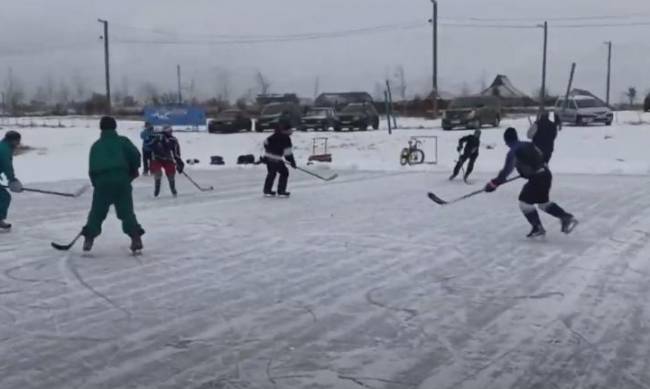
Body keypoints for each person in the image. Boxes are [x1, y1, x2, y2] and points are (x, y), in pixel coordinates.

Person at [484, 127, 578, 238]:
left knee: (524, 203)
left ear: (507, 141)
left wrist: (493, 184)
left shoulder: (514, 150)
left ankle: (538, 227)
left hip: (537, 178)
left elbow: (506, 171)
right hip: (546, 175)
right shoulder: (529, 144)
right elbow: (540, 157)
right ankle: (565, 217)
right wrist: (526, 171)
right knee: (543, 204)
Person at [82, 117, 144, 252]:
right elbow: (135, 156)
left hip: (102, 183)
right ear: (115, 127)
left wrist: (96, 184)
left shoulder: (96, 146)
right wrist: (133, 171)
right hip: (122, 180)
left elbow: (92, 169)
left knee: (97, 212)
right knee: (126, 212)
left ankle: (89, 239)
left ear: (101, 128)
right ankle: (135, 238)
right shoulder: (123, 141)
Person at [262, 123, 296, 197]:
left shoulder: (274, 135)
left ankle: (267, 190)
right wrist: (292, 162)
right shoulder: (286, 138)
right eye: (290, 130)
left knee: (271, 173)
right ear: (285, 131)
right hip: (276, 159)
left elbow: (265, 142)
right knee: (284, 172)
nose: (292, 132)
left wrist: (269, 150)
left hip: (268, 157)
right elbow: (288, 153)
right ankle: (281, 191)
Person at [150, 125, 184, 197]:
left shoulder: (173, 140)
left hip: (168, 159)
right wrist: (156, 141)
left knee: (171, 173)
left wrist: (179, 162)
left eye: (171, 131)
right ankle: (157, 190)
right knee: (158, 173)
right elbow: (150, 145)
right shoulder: (157, 137)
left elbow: (176, 153)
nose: (170, 133)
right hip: (157, 158)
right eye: (169, 131)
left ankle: (173, 189)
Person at [0, 131, 24, 230]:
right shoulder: (4, 150)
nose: (18, 143)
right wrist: (12, 180)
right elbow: (7, 166)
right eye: (18, 141)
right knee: (4, 197)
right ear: (13, 140)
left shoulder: (3, 146)